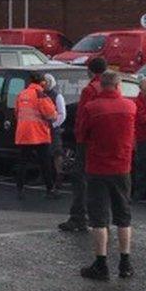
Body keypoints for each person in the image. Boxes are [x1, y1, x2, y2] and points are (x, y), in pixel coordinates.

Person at [77, 71, 137, 281]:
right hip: (122, 167)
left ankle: (101, 264)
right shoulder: (130, 107)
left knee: (99, 218)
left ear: (101, 86)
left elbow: (81, 135)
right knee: (123, 216)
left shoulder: (92, 108)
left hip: (98, 168)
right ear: (119, 85)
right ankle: (125, 262)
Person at [59, 57, 108, 232]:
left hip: (87, 141)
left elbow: (83, 116)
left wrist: (79, 137)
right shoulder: (112, 86)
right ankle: (101, 218)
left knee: (80, 179)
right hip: (105, 141)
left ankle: (78, 217)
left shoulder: (90, 89)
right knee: (102, 181)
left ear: (90, 71)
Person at [14, 71, 59, 200]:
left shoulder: (22, 94)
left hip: (23, 133)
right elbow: (51, 114)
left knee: (23, 163)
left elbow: (17, 113)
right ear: (41, 82)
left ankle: (20, 190)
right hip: (39, 134)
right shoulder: (41, 95)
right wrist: (54, 115)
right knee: (45, 163)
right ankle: (50, 190)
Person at [44, 74, 67, 178]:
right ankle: (47, 174)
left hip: (53, 129)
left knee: (57, 152)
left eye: (47, 82)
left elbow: (62, 114)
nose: (45, 84)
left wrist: (53, 125)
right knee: (45, 153)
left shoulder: (57, 96)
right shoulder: (39, 94)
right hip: (41, 129)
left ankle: (59, 175)